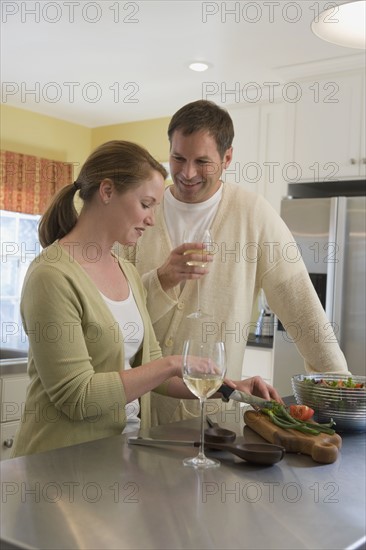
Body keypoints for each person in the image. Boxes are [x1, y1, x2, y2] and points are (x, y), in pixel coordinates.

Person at [12, 140, 281, 458]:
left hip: (120, 455)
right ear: (108, 191)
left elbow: (151, 373)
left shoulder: (125, 269)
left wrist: (228, 388)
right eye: (146, 203)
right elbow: (78, 397)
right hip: (59, 464)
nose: (153, 218)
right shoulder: (51, 275)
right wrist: (171, 364)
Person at [120, 100, 349, 426]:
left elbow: (303, 310)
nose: (187, 173)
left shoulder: (253, 215)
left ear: (227, 158)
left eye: (202, 161)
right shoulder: (142, 210)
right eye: (178, 158)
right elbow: (113, 310)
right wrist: (162, 279)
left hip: (208, 420)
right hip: (129, 413)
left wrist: (340, 391)